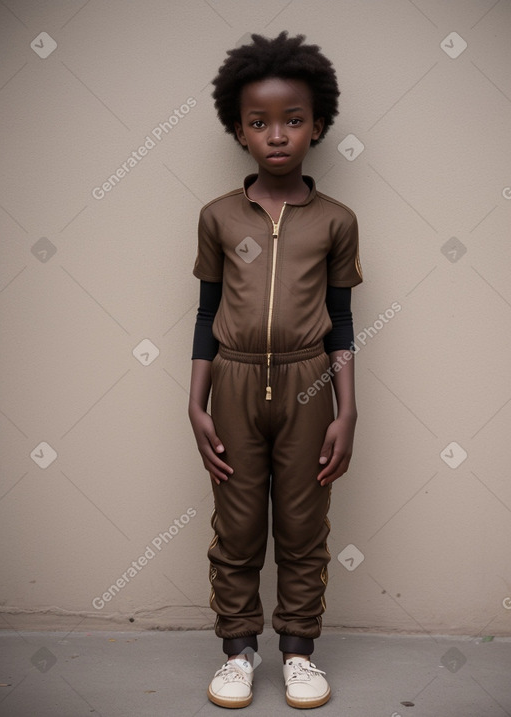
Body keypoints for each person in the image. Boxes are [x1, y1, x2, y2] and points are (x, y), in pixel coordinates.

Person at [189, 31, 363, 709]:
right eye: (259, 122)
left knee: (302, 524)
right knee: (235, 527)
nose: (278, 135)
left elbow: (343, 321)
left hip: (310, 384)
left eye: (294, 119)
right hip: (231, 383)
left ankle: (298, 650)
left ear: (318, 123)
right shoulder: (217, 217)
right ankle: (238, 652)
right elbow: (206, 315)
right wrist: (195, 403)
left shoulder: (337, 221)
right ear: (238, 129)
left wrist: (346, 410)